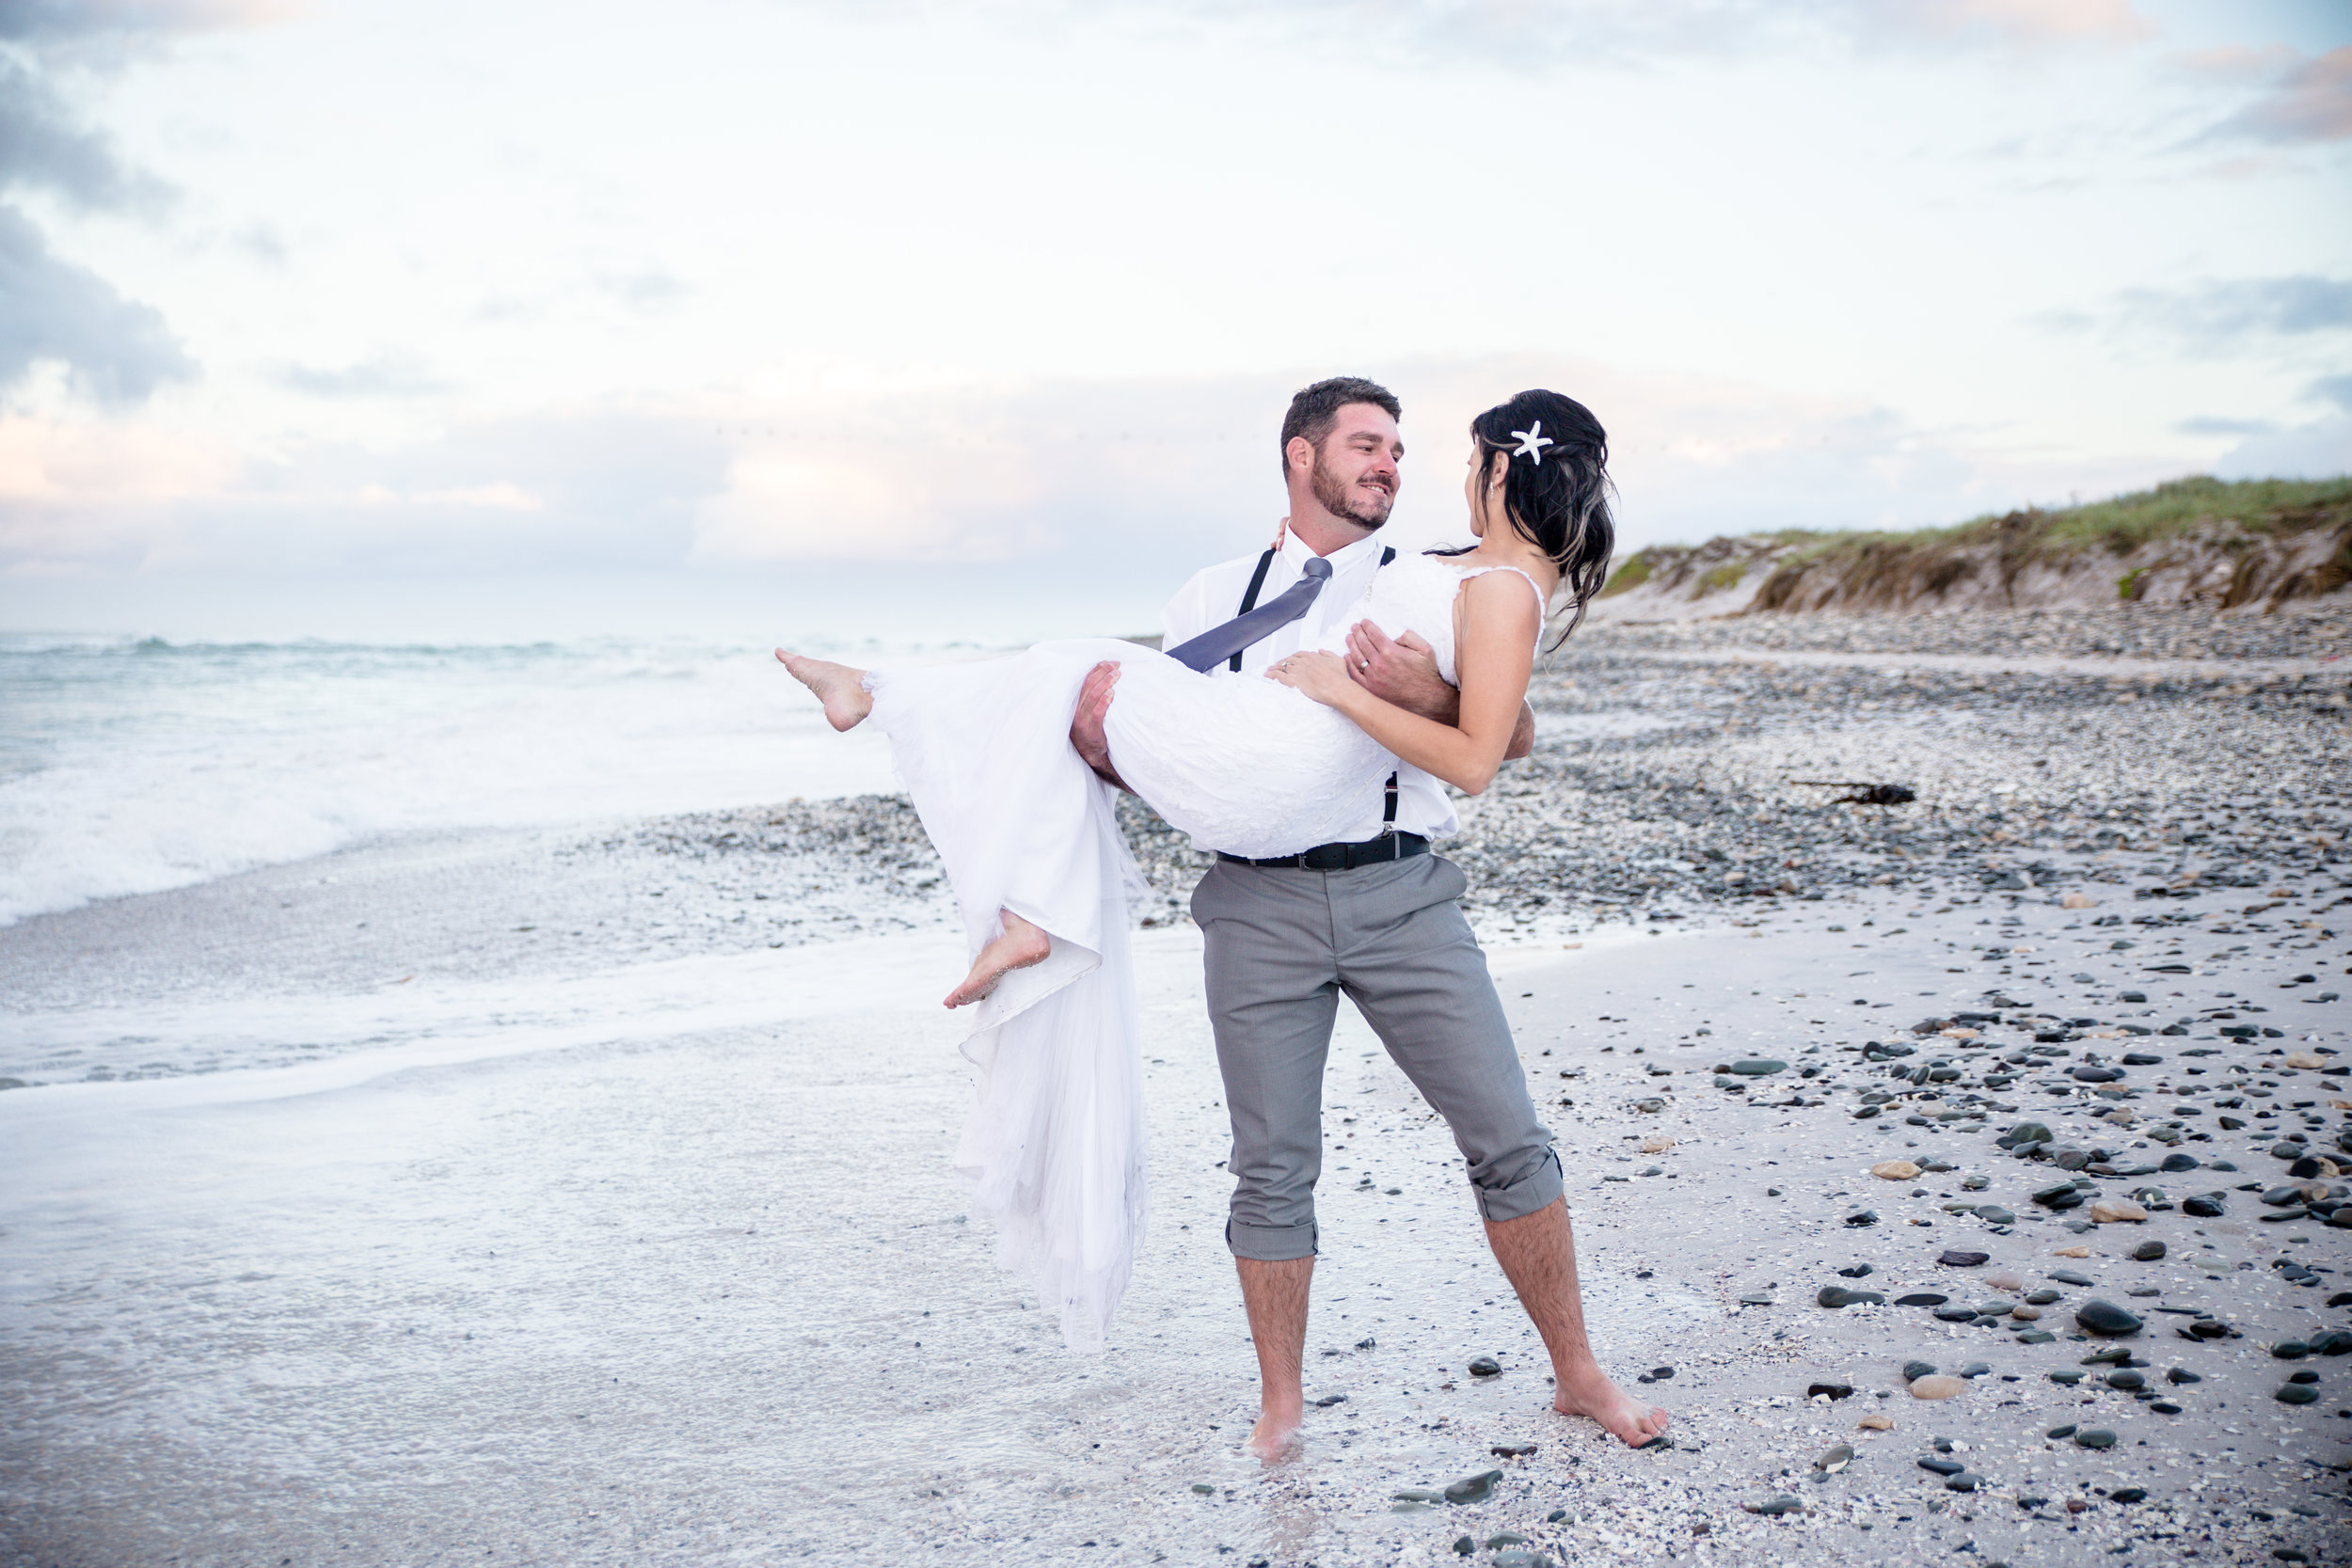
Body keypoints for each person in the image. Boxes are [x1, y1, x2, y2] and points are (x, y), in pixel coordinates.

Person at [775, 384, 1663, 1455]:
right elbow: (1170, 753)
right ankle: (1280, 1405)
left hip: (1399, 894)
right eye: (1367, 447)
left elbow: (1502, 733)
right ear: (1302, 457)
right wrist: (1131, 749)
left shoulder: (1435, 571)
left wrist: (1398, 691)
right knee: (1270, 1162)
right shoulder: (1208, 596)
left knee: (1507, 1141)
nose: (1392, 467)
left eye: (1401, 449)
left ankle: (1578, 1371)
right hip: (1254, 902)